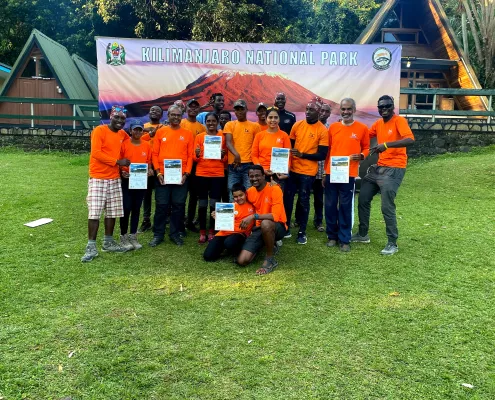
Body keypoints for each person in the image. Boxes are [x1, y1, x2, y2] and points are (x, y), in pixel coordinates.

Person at [351, 95, 415, 255]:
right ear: (378, 108)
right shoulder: (378, 123)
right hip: (379, 168)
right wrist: (349, 130)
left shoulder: (399, 121)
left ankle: (392, 243)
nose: (384, 109)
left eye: (387, 106)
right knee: (363, 198)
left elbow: (410, 139)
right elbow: (365, 135)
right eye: (381, 107)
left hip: (395, 168)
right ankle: (363, 234)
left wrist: (386, 145)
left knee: (387, 206)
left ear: (393, 107)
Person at [81, 105, 131, 262]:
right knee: (94, 212)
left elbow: (133, 142)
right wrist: (117, 162)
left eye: (123, 118)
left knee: (112, 212)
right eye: (117, 117)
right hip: (98, 177)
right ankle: (91, 246)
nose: (120, 120)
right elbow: (96, 153)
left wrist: (150, 133)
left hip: (114, 178)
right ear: (110, 117)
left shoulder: (122, 134)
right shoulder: (99, 131)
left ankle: (108, 242)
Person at [324, 99, 369, 252]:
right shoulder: (333, 128)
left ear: (354, 110)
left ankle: (344, 239)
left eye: (349, 109)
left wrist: (361, 156)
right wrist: (324, 172)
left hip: (349, 174)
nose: (346, 112)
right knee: (330, 205)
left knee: (345, 206)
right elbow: (328, 151)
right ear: (340, 110)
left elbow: (366, 148)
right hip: (332, 172)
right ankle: (332, 236)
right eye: (343, 109)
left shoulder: (362, 128)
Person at [283, 98, 329, 244]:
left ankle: (302, 232)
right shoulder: (297, 125)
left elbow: (322, 155)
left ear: (318, 111)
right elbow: (289, 147)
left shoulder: (322, 130)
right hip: (292, 170)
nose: (308, 112)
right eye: (307, 109)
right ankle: (285, 227)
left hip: (308, 172)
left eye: (312, 109)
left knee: (304, 201)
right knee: (288, 199)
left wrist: (302, 155)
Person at [150, 105, 194, 247]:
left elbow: (190, 156)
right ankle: (158, 234)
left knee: (178, 206)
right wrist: (158, 172)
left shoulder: (187, 134)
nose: (175, 117)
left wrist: (186, 174)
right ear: (168, 116)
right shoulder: (160, 132)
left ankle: (175, 233)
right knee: (161, 205)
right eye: (173, 114)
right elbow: (155, 154)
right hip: (162, 176)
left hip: (181, 177)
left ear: (182, 117)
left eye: (178, 115)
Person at [236, 165, 287, 275]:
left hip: (277, 225)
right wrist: (220, 212)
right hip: (259, 228)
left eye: (257, 175)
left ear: (264, 176)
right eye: (251, 176)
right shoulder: (250, 192)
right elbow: (238, 203)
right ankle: (267, 244)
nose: (254, 178)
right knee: (242, 261)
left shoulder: (275, 189)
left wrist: (253, 217)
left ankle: (270, 259)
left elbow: (275, 216)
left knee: (266, 224)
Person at [119, 120, 153, 250]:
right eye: (135, 129)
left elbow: (148, 162)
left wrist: (149, 170)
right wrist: (122, 172)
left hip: (140, 180)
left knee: (136, 208)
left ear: (143, 131)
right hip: (127, 180)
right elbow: (120, 161)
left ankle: (133, 235)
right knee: (126, 207)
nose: (138, 132)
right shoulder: (124, 144)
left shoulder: (146, 145)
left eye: (140, 129)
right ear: (130, 131)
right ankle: (123, 236)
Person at [193, 113, 228, 243]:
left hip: (217, 174)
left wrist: (223, 155)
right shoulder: (199, 137)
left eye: (213, 121)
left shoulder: (222, 137)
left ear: (217, 122)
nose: (211, 123)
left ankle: (212, 230)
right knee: (202, 203)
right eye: (208, 121)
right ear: (205, 122)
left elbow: (225, 159)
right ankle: (202, 231)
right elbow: (194, 157)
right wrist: (197, 154)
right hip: (202, 174)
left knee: (214, 203)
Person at [203, 183, 255, 262]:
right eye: (235, 197)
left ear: (245, 194)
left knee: (230, 242)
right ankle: (223, 248)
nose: (238, 198)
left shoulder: (253, 206)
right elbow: (223, 222)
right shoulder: (230, 206)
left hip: (240, 234)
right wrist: (217, 216)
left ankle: (237, 251)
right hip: (224, 233)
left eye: (241, 195)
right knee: (208, 256)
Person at [224, 99, 261, 199]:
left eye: (242, 109)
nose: (239, 112)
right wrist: (236, 154)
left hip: (248, 165)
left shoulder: (255, 126)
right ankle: (234, 209)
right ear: (234, 111)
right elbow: (228, 142)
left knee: (249, 191)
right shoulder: (229, 124)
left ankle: (248, 209)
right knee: (232, 191)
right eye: (237, 109)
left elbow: (256, 145)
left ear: (246, 110)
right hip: (233, 165)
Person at [181, 98, 207, 233]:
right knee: (180, 195)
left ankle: (190, 221)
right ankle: (179, 221)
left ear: (199, 110)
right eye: (191, 107)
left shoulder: (202, 128)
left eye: (196, 107)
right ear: (186, 109)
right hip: (182, 164)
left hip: (196, 165)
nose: (193, 109)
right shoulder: (181, 123)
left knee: (194, 195)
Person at [251, 106, 291, 187]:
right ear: (266, 119)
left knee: (277, 195)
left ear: (279, 119)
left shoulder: (284, 136)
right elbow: (254, 155)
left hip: (278, 174)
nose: (273, 120)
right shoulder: (259, 135)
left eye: (276, 117)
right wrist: (262, 169)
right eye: (270, 117)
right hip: (261, 174)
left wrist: (286, 173)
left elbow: (288, 156)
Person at [139, 105, 164, 233]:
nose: (154, 112)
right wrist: (148, 133)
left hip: (160, 165)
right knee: (146, 193)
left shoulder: (164, 128)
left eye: (157, 110)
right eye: (152, 110)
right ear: (148, 113)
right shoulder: (142, 127)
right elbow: (136, 141)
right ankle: (146, 220)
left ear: (161, 115)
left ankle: (162, 219)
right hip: (145, 164)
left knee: (161, 194)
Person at [313, 102, 332, 232]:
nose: (323, 113)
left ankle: (318, 221)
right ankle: (298, 219)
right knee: (302, 196)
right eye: (321, 110)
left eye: (326, 111)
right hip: (308, 168)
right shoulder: (310, 125)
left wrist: (326, 171)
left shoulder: (330, 129)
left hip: (322, 169)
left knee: (319, 197)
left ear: (329, 114)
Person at [219, 110, 232, 203]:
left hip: (230, 167)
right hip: (219, 168)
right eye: (221, 118)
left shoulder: (233, 133)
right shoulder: (216, 134)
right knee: (219, 191)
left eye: (226, 119)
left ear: (230, 120)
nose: (223, 120)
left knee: (227, 192)